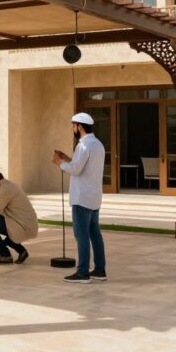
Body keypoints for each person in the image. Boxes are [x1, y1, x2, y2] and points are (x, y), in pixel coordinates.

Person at [53, 112, 107, 284]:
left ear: (80, 126)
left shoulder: (83, 145)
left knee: (81, 235)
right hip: (94, 196)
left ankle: (83, 273)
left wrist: (59, 163)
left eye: (73, 125)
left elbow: (76, 170)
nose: (72, 129)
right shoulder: (97, 144)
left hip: (81, 197)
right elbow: (81, 165)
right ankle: (99, 270)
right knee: (95, 234)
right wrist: (67, 159)